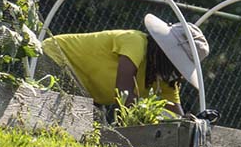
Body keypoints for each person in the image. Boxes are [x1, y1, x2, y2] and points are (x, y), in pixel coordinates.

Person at [42, 14, 209, 118]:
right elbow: (124, 92)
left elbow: (174, 113)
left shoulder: (163, 77)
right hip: (55, 58)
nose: (177, 70)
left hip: (82, 89)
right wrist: (149, 118)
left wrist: (190, 123)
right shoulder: (135, 42)